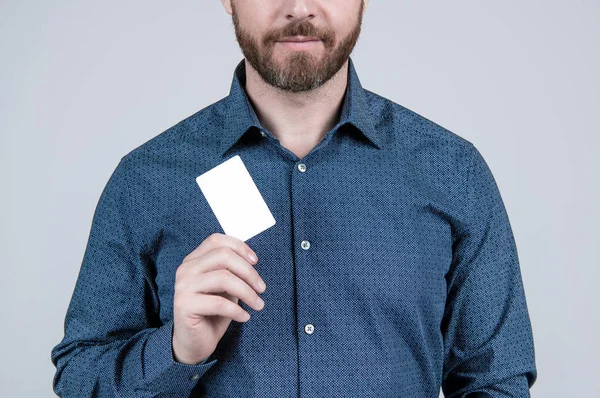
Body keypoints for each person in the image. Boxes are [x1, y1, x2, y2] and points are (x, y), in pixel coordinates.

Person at [51, 0, 538, 396]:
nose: (299, 7)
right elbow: (78, 378)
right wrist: (176, 352)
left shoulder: (452, 170)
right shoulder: (146, 179)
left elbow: (496, 381)